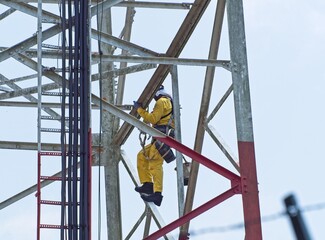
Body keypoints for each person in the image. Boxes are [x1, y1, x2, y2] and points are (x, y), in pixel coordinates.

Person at [133, 85, 175, 206]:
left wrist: (139, 110)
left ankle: (157, 194)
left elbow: (153, 119)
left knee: (155, 162)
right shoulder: (167, 101)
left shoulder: (162, 102)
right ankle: (147, 184)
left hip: (162, 138)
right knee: (142, 155)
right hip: (159, 137)